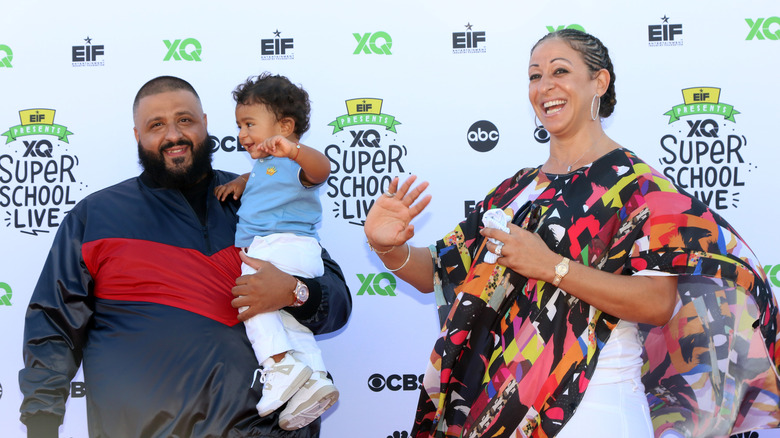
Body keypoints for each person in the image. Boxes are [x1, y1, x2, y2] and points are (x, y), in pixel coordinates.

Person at [364, 29, 780, 437]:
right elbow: (441, 274)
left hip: (594, 405)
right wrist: (389, 248)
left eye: (559, 71)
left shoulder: (641, 187)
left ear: (600, 81)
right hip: (501, 407)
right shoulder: (516, 190)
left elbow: (657, 303)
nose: (545, 86)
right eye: (534, 75)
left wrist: (551, 266)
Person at [18, 75, 351, 438]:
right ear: (137, 136)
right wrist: (41, 423)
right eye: (156, 125)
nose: (173, 134)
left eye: (185, 120)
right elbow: (53, 326)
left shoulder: (263, 197)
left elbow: (338, 303)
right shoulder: (95, 218)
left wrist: (293, 292)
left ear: (205, 124)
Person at [213, 73, 338, 431]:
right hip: (292, 251)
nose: (242, 135)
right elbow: (265, 179)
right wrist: (241, 181)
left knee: (250, 299)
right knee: (291, 322)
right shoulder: (266, 166)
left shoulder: (294, 160)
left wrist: (295, 150)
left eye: (249, 124)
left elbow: (321, 170)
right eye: (239, 125)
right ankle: (313, 380)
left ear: (284, 126)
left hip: (281, 246)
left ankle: (278, 364)